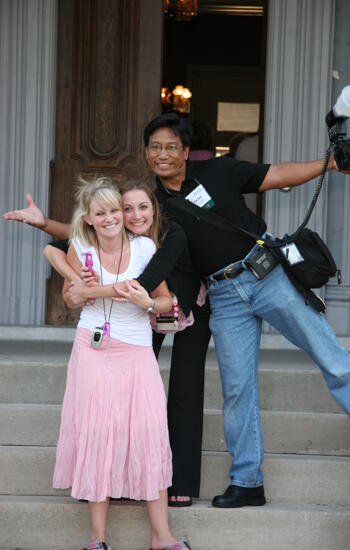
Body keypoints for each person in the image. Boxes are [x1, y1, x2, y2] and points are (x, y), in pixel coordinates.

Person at [141, 112, 350, 508]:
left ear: (185, 151)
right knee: (237, 390)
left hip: (268, 277)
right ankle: (247, 482)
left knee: (333, 360)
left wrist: (330, 163)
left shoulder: (218, 171)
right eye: (155, 147)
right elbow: (103, 226)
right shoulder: (152, 207)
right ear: (146, 154)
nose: (163, 154)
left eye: (171, 147)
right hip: (224, 297)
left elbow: (277, 174)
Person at [3, 183, 211, 508]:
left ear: (155, 210)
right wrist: (74, 277)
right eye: (126, 209)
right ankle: (111, 482)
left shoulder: (165, 239)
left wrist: (88, 292)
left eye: (142, 207)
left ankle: (155, 487)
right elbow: (57, 249)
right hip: (115, 325)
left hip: (177, 304)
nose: (133, 215)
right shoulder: (107, 238)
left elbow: (143, 290)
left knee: (151, 410)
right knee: (110, 416)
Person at [53, 176, 190, 550]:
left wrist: (147, 304)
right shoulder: (81, 247)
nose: (112, 217)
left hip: (136, 349)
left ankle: (161, 536)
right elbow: (70, 299)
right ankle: (98, 539)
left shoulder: (145, 248)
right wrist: (76, 289)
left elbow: (164, 301)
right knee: (98, 434)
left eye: (116, 210)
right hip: (92, 349)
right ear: (89, 219)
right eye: (103, 212)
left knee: (149, 433)